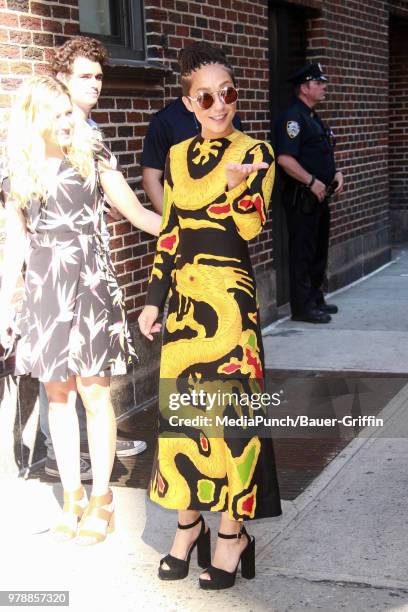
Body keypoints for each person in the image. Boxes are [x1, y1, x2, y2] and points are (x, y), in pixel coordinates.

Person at [138, 43, 281, 590]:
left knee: (231, 424)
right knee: (183, 421)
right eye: (207, 96)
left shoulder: (257, 151)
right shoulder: (176, 157)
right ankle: (187, 524)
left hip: (231, 306)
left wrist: (240, 188)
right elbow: (171, 233)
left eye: (229, 94)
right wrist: (154, 298)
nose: (220, 105)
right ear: (188, 103)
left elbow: (248, 230)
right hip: (184, 302)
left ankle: (231, 534)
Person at [0, 75, 161, 544]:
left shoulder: (93, 157)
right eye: (57, 113)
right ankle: (72, 496)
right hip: (45, 293)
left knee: (94, 394)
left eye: (69, 111)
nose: (68, 120)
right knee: (58, 397)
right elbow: (15, 247)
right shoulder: (19, 175)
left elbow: (138, 214)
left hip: (91, 288)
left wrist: (191, 232)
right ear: (34, 119)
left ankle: (103, 497)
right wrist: (4, 309)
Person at [38, 36, 147, 481]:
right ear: (61, 80)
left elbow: (126, 204)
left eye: (100, 76)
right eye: (85, 76)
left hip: (89, 270)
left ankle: (94, 441)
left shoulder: (93, 134)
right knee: (58, 375)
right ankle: (56, 452)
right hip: (51, 272)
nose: (96, 83)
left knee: (89, 375)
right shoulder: (37, 135)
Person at [275, 63, 344, 324]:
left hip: (320, 197)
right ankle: (302, 308)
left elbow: (322, 152)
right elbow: (284, 159)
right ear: (304, 87)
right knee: (302, 253)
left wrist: (336, 173)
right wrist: (311, 181)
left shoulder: (313, 117)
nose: (324, 86)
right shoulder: (293, 118)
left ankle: (315, 299)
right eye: (319, 82)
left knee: (318, 251)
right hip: (302, 198)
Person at [141, 97, 243, 213]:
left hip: (229, 217)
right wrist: (173, 225)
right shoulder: (165, 120)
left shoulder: (231, 118)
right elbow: (150, 180)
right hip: (186, 220)